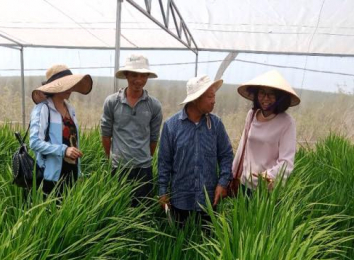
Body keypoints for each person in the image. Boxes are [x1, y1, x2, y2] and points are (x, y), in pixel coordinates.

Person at [157, 75, 234, 226]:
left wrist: (222, 183)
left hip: (209, 200)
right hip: (180, 200)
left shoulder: (216, 125)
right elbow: (164, 162)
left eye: (214, 96)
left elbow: (226, 155)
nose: (214, 100)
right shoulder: (172, 126)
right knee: (180, 242)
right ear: (195, 98)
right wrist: (163, 191)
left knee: (206, 242)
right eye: (209, 96)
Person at [101, 54, 163, 204]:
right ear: (127, 75)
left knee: (142, 210)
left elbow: (153, 139)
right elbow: (105, 134)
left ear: (147, 77)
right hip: (119, 167)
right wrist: (113, 158)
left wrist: (143, 156)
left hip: (143, 168)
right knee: (118, 208)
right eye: (134, 75)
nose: (139, 80)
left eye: (143, 75)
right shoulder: (112, 102)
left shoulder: (154, 105)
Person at [231, 70, 300, 193]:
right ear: (256, 95)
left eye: (271, 94)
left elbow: (286, 162)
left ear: (280, 97)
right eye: (262, 93)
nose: (266, 98)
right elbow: (243, 147)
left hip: (266, 189)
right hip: (245, 184)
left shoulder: (286, 122)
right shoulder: (251, 115)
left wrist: (268, 176)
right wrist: (234, 174)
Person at [30, 64, 93, 195]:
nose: (69, 89)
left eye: (69, 85)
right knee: (52, 212)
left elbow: (73, 142)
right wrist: (63, 150)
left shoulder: (70, 110)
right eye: (63, 85)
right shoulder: (43, 109)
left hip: (71, 173)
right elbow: (34, 142)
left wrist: (78, 170)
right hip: (51, 175)